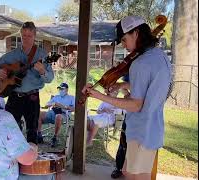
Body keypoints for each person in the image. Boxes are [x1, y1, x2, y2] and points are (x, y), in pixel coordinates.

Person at [82, 15, 172, 180]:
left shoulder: (141, 63)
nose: (124, 45)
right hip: (152, 128)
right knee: (128, 172)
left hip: (141, 131)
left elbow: (136, 105)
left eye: (124, 40)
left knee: (133, 175)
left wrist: (99, 95)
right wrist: (123, 86)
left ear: (136, 33)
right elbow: (150, 87)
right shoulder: (159, 56)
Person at [0, 21, 54, 144]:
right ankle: (10, 155)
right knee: (8, 127)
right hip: (14, 95)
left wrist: (42, 71)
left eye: (29, 36)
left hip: (32, 97)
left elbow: (50, 78)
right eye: (24, 35)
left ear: (35, 36)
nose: (26, 39)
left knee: (32, 130)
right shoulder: (12, 55)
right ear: (20, 35)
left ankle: (30, 159)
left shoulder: (42, 55)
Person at [37, 82, 75, 147]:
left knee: (58, 116)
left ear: (67, 90)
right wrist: (53, 103)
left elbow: (73, 109)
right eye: (59, 89)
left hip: (63, 114)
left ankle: (55, 137)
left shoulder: (71, 98)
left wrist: (62, 106)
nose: (60, 90)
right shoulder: (56, 97)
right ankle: (39, 135)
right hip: (53, 112)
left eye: (62, 89)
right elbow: (46, 105)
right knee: (39, 114)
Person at [111, 74, 130, 179]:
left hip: (143, 118)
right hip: (129, 116)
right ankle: (119, 168)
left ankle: (131, 170)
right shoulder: (130, 72)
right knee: (123, 143)